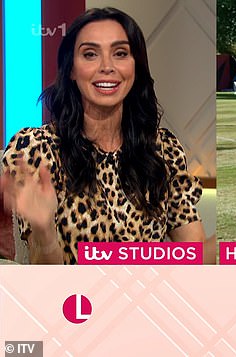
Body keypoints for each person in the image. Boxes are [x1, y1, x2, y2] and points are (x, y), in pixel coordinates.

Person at [0, 7, 215, 264]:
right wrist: (45, 234)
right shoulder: (36, 148)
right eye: (90, 54)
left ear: (135, 67)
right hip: (75, 301)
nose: (107, 67)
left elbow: (195, 255)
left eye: (120, 53)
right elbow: (44, 276)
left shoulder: (163, 148)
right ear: (71, 69)